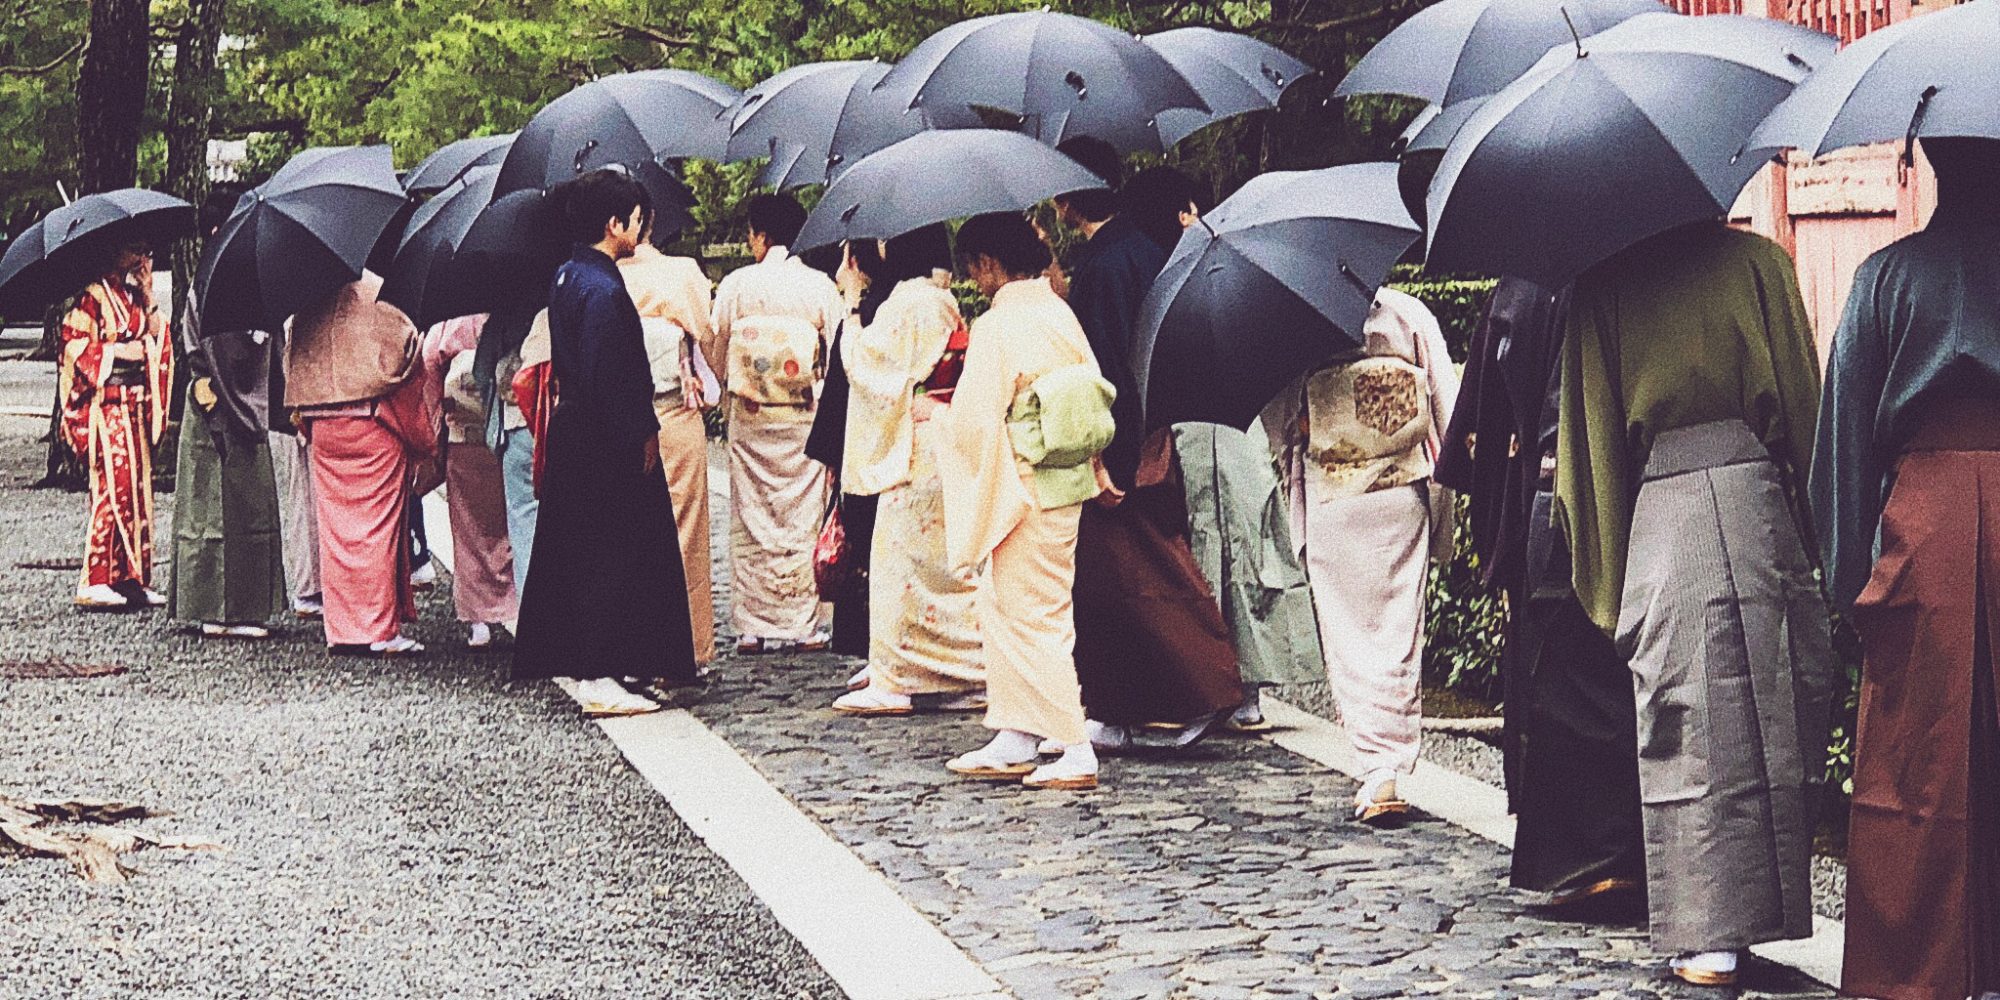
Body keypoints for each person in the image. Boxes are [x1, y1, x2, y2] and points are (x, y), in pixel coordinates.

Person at [1557, 220, 1832, 986]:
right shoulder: (1761, 264)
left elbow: (1593, 444)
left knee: (1682, 720)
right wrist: (1820, 536)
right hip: (1757, 504)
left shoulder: (1601, 287)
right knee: (1774, 710)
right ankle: (1755, 919)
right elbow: (1806, 410)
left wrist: (1612, 583)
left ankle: (1707, 934)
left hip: (1662, 513)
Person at [1810, 136, 2000, 1000]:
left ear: (1933, 163)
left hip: (1924, 526)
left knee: (1919, 775)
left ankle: (1919, 977)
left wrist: (1853, 586)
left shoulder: (1887, 279)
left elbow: (1845, 444)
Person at [1436, 277, 1646, 909]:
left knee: (1559, 672)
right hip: (1624, 485)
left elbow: (1482, 419)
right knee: (1608, 669)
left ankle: (1586, 857)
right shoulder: (1628, 278)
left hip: (1544, 492)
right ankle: (1620, 852)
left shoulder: (1519, 292)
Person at [1054, 137, 1241, 751]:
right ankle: (1136, 705)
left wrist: (1104, 456)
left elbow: (1105, 369)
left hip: (1124, 441)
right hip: (1156, 426)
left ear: (1067, 198)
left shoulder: (1105, 265)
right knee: (1148, 571)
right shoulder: (1145, 248)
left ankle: (1192, 692)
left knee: (1135, 579)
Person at [1125, 166, 1324, 731]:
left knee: (1250, 551)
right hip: (1202, 433)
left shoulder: (1227, 263)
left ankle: (1250, 683)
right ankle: (1218, 682)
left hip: (1234, 430)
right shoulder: (1165, 276)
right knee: (1213, 552)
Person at [1264, 287, 1459, 824]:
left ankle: (1378, 769)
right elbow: (1445, 398)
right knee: (1398, 626)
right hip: (1400, 489)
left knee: (1348, 631)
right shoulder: (1405, 312)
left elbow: (1282, 420)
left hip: (1335, 490)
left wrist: (1301, 450)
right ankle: (1393, 758)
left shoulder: (1291, 326)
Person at [512, 169, 698, 716]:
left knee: (598, 552)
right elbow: (610, 371)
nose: (640, 230)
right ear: (615, 223)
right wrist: (638, 431)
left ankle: (611, 664)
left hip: (581, 429)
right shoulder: (600, 288)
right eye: (636, 220)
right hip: (603, 434)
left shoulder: (571, 275)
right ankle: (598, 669)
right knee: (609, 555)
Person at [937, 212, 1112, 791]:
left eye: (975, 267)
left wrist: (936, 417)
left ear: (987, 264)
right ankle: (1015, 731)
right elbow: (1089, 390)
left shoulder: (1001, 323)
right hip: (1060, 477)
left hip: (1022, 481)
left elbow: (974, 418)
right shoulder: (1057, 310)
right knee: (1016, 608)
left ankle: (1074, 743)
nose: (974, 279)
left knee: (1032, 616)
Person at [831, 227, 986, 717]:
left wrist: (852, 305)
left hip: (916, 442)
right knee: (939, 563)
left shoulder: (910, 303)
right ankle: (954, 669)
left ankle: (903, 674)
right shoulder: (935, 299)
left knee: (902, 560)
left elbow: (865, 365)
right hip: (936, 434)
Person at [706, 194, 844, 655]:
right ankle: (802, 623)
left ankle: (752, 625)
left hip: (751, 416)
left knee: (751, 515)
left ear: (762, 236)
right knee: (803, 514)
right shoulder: (820, 285)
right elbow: (838, 343)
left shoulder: (737, 285)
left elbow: (714, 344)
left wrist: (733, 380)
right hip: (803, 414)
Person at [285, 272, 435, 656]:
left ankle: (343, 629)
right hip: (372, 425)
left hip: (323, 426)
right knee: (376, 532)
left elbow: (290, 362)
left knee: (336, 533)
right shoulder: (377, 293)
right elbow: (407, 357)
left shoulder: (308, 304)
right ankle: (378, 630)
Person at [620, 216, 720, 670]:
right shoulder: (683, 273)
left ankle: (635, 645)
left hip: (621, 414)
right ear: (649, 222)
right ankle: (689, 648)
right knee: (685, 530)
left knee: (628, 530)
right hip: (676, 412)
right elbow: (708, 333)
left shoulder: (606, 277)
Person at [60, 241, 172, 611]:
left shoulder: (130, 295)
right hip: (106, 407)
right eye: (134, 250)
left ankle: (132, 578)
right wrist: (119, 351)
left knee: (139, 494)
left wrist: (147, 292)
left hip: (135, 404)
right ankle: (96, 578)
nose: (141, 256)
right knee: (113, 487)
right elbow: (74, 348)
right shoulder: (92, 297)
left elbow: (157, 335)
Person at [428, 314, 518, 648]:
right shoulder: (517, 312)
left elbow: (428, 362)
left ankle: (478, 617)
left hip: (462, 434)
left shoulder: (452, 320)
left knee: (468, 530)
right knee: (514, 522)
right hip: (508, 427)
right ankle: (514, 602)